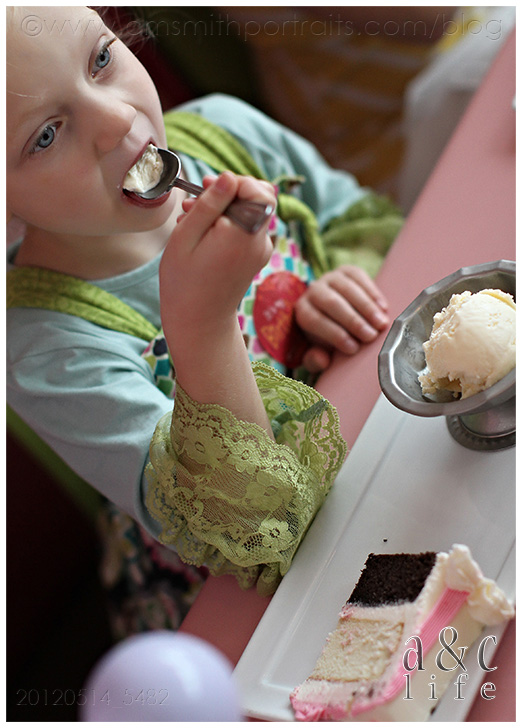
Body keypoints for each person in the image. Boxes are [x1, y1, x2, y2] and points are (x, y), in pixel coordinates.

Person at [7, 7, 398, 634]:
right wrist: (205, 325)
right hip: (242, 600)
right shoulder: (46, 348)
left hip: (383, 446)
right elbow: (255, 532)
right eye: (46, 136)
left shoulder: (226, 130)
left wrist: (344, 275)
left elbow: (367, 224)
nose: (117, 120)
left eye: (101, 59)